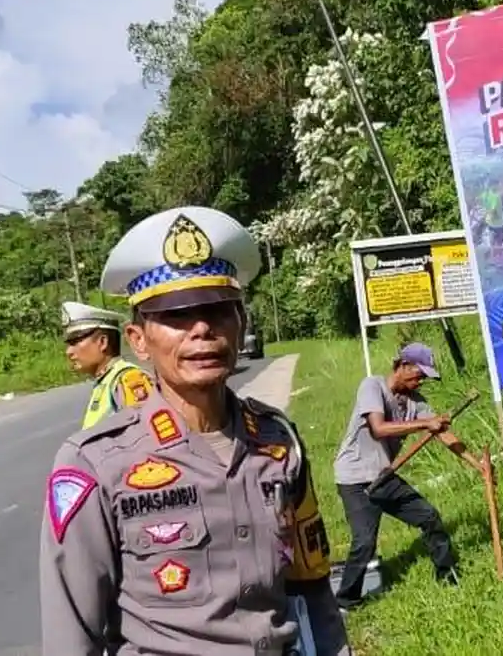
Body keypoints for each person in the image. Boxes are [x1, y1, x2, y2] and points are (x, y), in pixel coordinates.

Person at [40, 206, 351, 656]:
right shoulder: (95, 463)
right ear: (139, 339)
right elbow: (72, 635)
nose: (202, 328)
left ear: (241, 323)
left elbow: (313, 590)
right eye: (176, 316)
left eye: (218, 310)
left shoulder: (278, 442)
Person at [331, 343, 468, 612]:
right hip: (355, 478)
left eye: (425, 378)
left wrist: (477, 465)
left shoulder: (415, 403)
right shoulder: (372, 386)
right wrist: (424, 424)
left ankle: (448, 577)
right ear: (402, 365)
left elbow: (442, 433)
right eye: (418, 374)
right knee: (364, 543)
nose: (420, 382)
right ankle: (346, 602)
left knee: (429, 517)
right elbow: (379, 428)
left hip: (384, 476)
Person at [61, 300, 155, 430]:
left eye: (75, 342)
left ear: (103, 342)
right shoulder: (106, 382)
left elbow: (148, 438)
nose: (69, 352)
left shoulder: (129, 380)